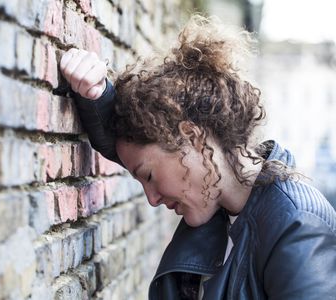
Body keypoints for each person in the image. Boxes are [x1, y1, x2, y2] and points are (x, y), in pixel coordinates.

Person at [59, 15, 336, 300]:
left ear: (192, 138)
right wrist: (94, 91)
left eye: (149, 177)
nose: (152, 199)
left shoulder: (297, 224)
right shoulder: (217, 203)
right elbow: (129, 143)